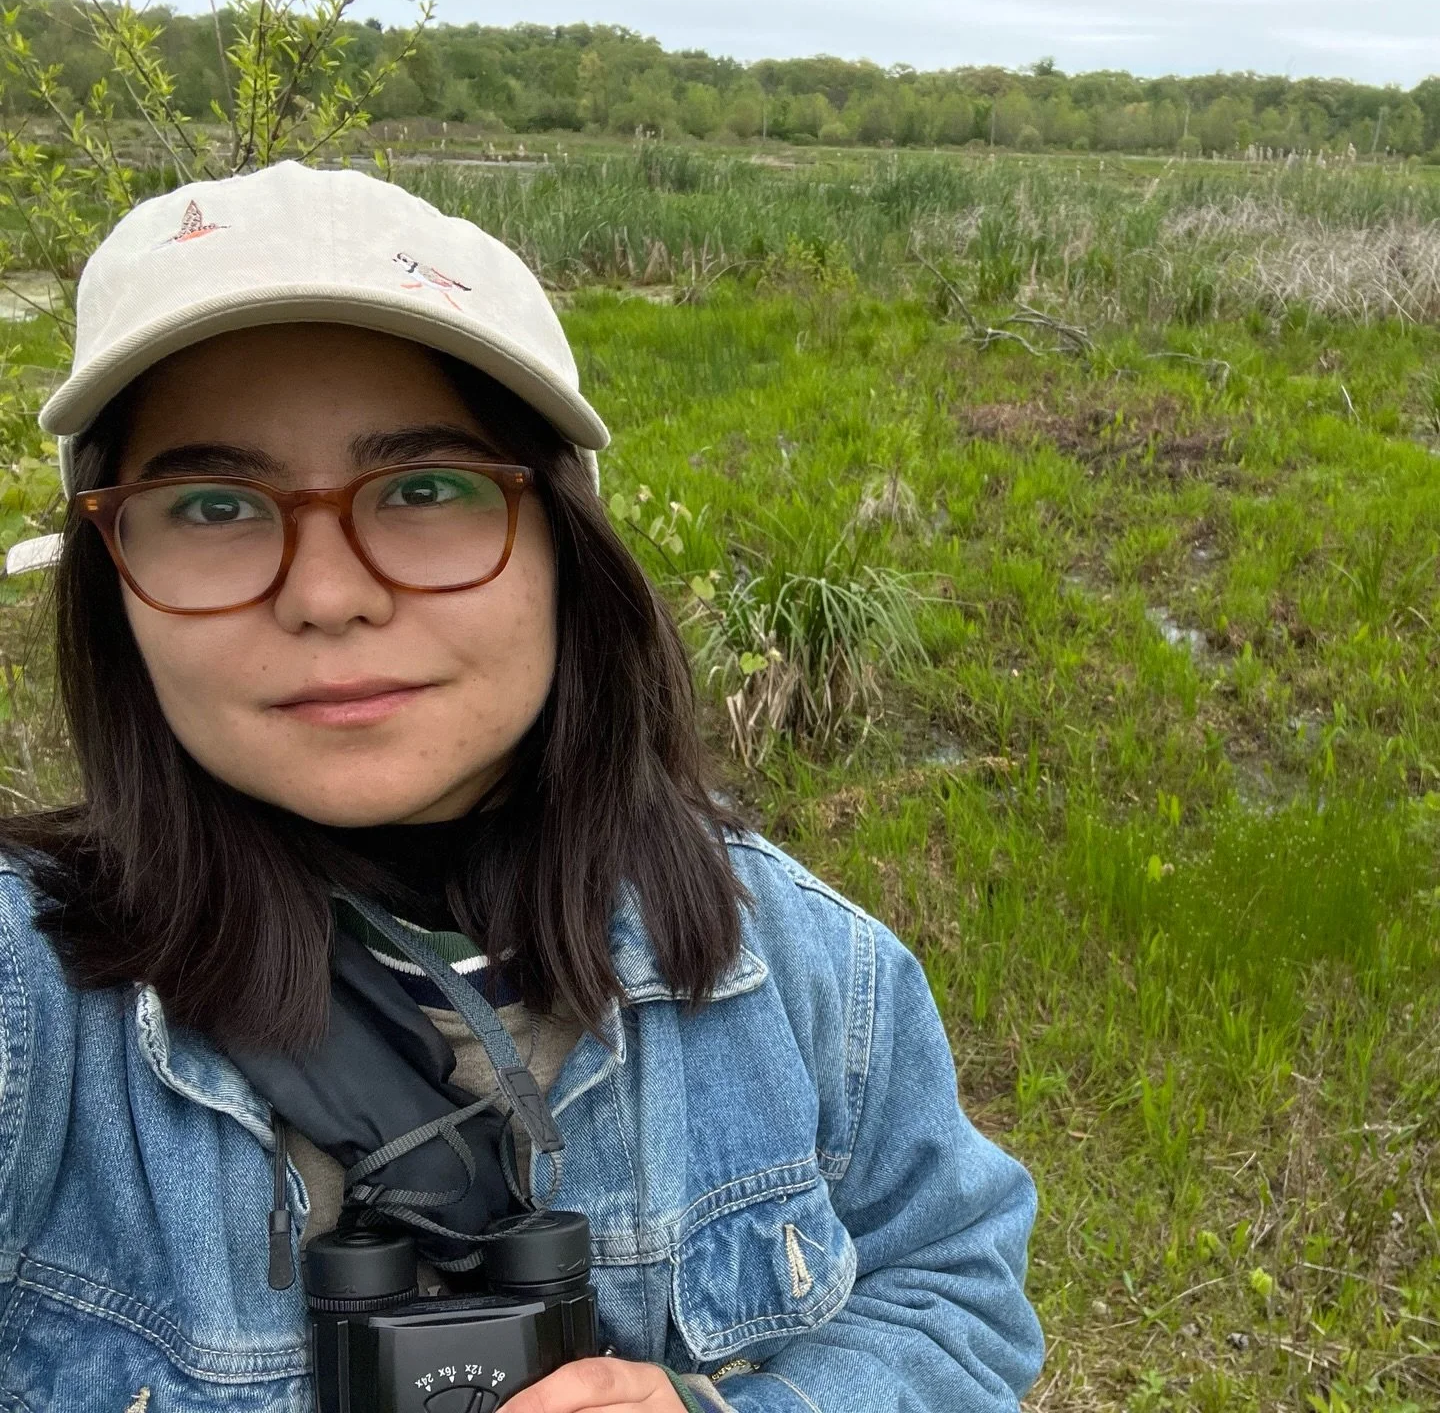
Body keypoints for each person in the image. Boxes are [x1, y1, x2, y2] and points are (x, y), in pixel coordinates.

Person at [0, 162, 1044, 1412]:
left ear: (563, 542)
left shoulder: (809, 970)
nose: (328, 594)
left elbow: (952, 1287)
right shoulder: (36, 1011)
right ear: (113, 578)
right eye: (215, 504)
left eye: (425, 490)